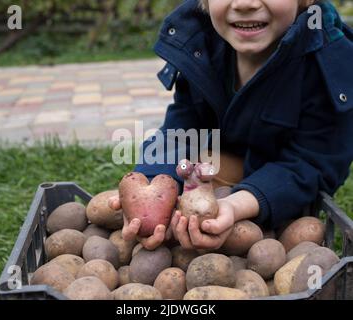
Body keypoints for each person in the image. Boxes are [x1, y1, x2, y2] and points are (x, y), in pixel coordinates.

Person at [109, 0, 353, 251]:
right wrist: (151, 187)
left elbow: (312, 164)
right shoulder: (199, 46)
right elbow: (180, 132)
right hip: (218, 170)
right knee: (195, 162)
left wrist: (236, 205)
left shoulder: (330, 64)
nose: (245, 3)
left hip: (284, 189)